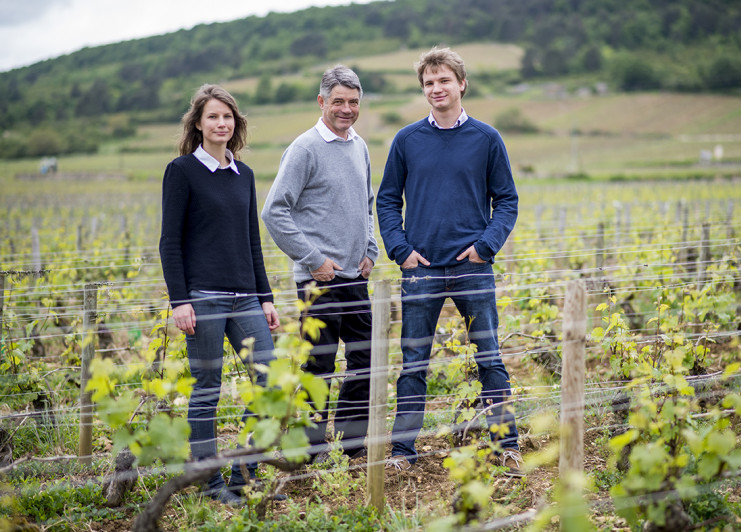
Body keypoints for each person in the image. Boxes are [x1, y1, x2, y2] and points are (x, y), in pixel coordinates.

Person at [376, 47, 523, 477]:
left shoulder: (487, 138)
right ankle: (403, 452)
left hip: (472, 267)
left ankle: (506, 445)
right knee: (413, 363)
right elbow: (387, 201)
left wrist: (486, 246)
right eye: (428, 83)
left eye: (443, 80)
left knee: (490, 356)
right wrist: (401, 252)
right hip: (420, 270)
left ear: (461, 84)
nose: (436, 88)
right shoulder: (407, 140)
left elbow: (507, 201)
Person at [159, 84, 280, 506]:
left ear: (236, 123)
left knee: (269, 381)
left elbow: (252, 242)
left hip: (246, 298)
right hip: (203, 299)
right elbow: (169, 242)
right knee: (207, 389)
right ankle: (210, 484)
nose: (221, 123)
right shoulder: (182, 171)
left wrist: (265, 297)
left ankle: (243, 475)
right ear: (198, 123)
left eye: (227, 116)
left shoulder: (243, 175)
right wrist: (180, 301)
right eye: (213, 116)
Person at [262, 65, 378, 463]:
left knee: (364, 360)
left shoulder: (359, 145)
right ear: (322, 102)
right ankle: (310, 451)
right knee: (319, 364)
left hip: (355, 277)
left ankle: (352, 445)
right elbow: (275, 212)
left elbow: (367, 205)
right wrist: (312, 260)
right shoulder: (304, 148)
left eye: (353, 102)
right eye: (338, 102)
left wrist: (371, 251)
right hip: (319, 279)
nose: (346, 109)